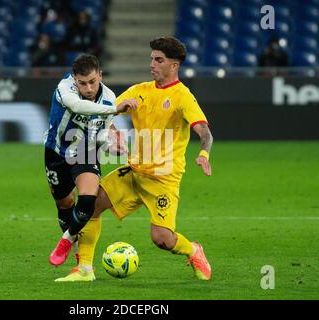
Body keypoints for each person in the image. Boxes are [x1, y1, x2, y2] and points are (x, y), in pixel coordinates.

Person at [54, 36, 214, 282]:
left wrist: (204, 153)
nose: (152, 64)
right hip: (134, 172)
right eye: (151, 59)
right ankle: (84, 270)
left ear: (174, 65)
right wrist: (112, 132)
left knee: (162, 239)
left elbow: (204, 131)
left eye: (159, 60)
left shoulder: (183, 96)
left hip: (163, 179)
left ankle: (193, 250)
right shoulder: (139, 91)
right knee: (89, 206)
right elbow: (106, 114)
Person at [45, 54, 137, 268]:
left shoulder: (109, 97)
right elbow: (77, 107)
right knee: (65, 202)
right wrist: (115, 109)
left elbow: (101, 135)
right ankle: (73, 240)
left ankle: (67, 241)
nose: (88, 88)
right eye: (82, 83)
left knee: (87, 200)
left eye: (92, 82)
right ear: (74, 79)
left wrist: (112, 147)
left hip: (85, 151)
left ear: (100, 76)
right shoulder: (64, 88)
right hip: (56, 152)